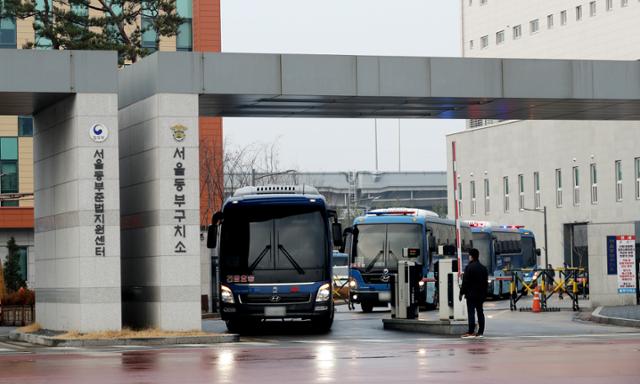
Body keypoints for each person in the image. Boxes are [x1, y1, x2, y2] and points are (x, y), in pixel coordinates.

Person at [459, 248, 489, 338]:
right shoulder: (483, 268)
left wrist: (461, 293)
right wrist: (484, 294)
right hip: (480, 295)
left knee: (471, 312)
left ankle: (471, 331)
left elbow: (465, 282)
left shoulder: (469, 268)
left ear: (471, 256)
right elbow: (485, 283)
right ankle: (480, 332)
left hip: (471, 295)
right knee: (480, 312)